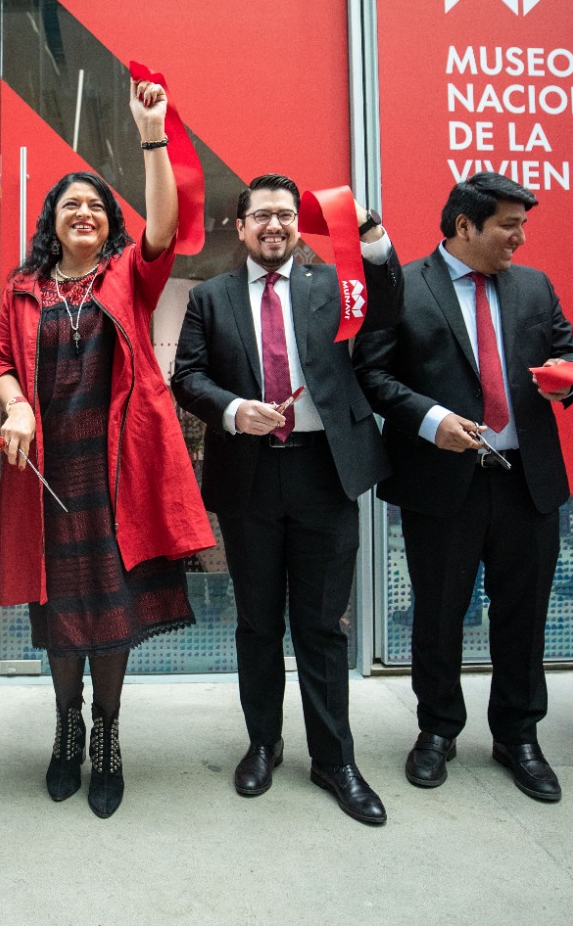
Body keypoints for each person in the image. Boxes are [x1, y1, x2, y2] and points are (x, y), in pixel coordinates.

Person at [0, 79, 214, 819]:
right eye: (70, 204)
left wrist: (152, 133)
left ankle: (108, 733)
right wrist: (16, 404)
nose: (83, 211)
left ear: (109, 223)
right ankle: (67, 727)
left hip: (118, 472)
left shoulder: (127, 276)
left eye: (96, 205)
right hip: (48, 474)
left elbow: (166, 227)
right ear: (52, 221)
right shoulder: (23, 288)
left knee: (112, 610)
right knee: (60, 610)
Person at [171, 174, 403, 825]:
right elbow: (187, 376)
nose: (273, 225)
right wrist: (232, 409)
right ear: (241, 226)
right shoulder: (211, 297)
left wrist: (371, 237)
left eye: (284, 215)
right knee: (257, 623)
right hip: (249, 477)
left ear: (298, 226)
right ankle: (263, 745)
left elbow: (388, 308)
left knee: (323, 626)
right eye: (261, 215)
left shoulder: (334, 285)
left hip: (325, 474)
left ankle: (334, 759)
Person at [353, 171, 573, 803]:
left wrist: (570, 378)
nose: (519, 238)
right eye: (509, 225)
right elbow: (371, 373)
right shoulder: (403, 287)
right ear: (464, 225)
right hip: (441, 482)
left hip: (526, 482)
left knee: (523, 617)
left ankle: (518, 736)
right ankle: (437, 730)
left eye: (522, 225)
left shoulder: (535, 286)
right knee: (438, 615)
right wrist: (431, 421)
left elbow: (570, 354)